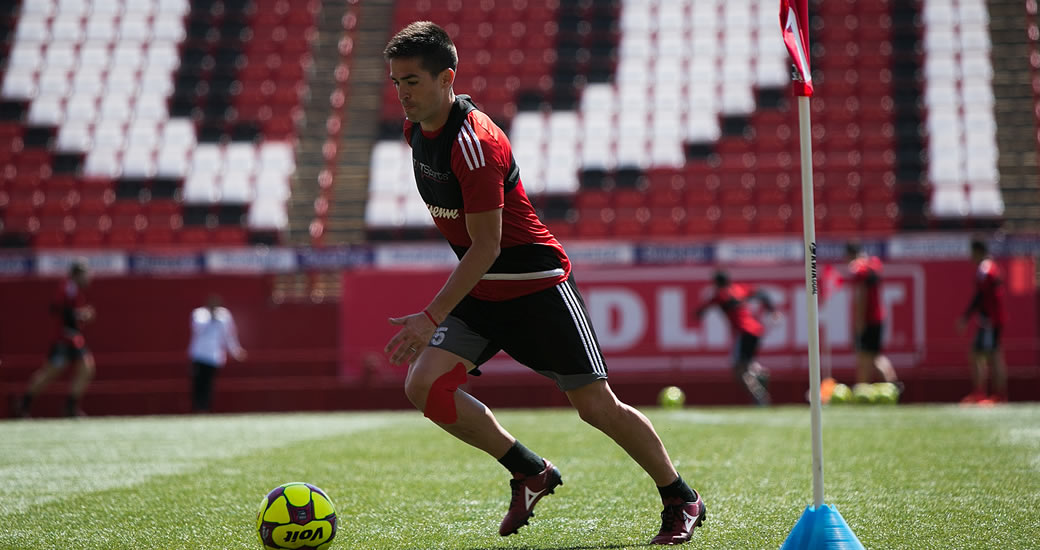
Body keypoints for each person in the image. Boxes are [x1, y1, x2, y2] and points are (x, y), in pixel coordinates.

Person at [381, 22, 705, 545]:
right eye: (396, 82)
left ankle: (680, 497)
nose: (403, 94)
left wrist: (431, 316)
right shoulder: (416, 131)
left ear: (448, 78)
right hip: (484, 292)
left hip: (537, 289)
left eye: (413, 81)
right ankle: (530, 470)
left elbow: (486, 246)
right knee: (424, 386)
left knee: (597, 408)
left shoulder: (475, 144)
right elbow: (478, 254)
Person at [14, 261, 96, 417]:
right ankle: (24, 404)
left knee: (86, 368)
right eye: (85, 274)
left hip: (74, 339)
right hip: (64, 339)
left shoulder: (75, 290)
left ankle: (71, 407)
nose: (88, 278)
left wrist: (80, 315)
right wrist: (80, 314)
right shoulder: (68, 288)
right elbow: (57, 309)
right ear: (77, 274)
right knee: (50, 372)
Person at [692, 270, 778, 406]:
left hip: (744, 332)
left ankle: (759, 396)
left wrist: (697, 313)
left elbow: (703, 308)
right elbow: (763, 294)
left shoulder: (720, 295)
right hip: (755, 330)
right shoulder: (738, 289)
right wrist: (772, 309)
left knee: (738, 369)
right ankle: (760, 373)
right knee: (746, 364)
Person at [956, 239, 1007, 404]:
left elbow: (980, 296)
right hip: (991, 318)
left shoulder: (984, 269)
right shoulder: (992, 266)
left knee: (991, 355)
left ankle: (995, 395)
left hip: (989, 320)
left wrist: (965, 317)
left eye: (972, 253)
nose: (970, 257)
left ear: (977, 251)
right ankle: (983, 393)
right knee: (982, 354)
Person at [845, 241, 898, 385]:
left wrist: (859, 321)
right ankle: (893, 385)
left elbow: (861, 296)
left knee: (864, 359)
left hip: (868, 319)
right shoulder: (873, 264)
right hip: (878, 317)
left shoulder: (859, 269)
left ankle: (862, 390)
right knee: (876, 357)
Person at [188, 294, 246, 413]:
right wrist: (211, 318)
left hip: (214, 356)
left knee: (208, 384)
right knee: (198, 384)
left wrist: (235, 350)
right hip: (199, 355)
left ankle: (205, 409)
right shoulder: (199, 314)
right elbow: (197, 329)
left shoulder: (224, 316)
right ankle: (197, 409)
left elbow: (229, 335)